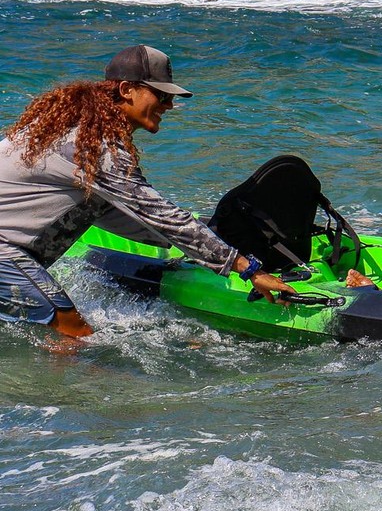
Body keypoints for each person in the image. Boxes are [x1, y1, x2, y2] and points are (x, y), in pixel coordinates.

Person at [0, 45, 296, 338]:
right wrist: (248, 270)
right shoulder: (96, 149)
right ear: (127, 89)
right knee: (76, 336)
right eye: (162, 95)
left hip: (10, 252)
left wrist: (210, 244)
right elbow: (162, 216)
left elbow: (119, 215)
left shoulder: (74, 133)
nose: (169, 105)